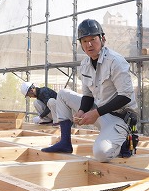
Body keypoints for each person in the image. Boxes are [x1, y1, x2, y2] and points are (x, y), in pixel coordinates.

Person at [42, 19, 138, 162]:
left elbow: (125, 97)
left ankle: (124, 141)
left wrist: (95, 113)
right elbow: (88, 95)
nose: (89, 44)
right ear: (81, 44)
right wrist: (81, 111)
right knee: (62, 95)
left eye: (93, 39)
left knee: (101, 154)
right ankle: (65, 143)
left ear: (102, 38)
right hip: (99, 112)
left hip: (119, 118)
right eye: (84, 41)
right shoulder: (85, 64)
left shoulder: (115, 61)